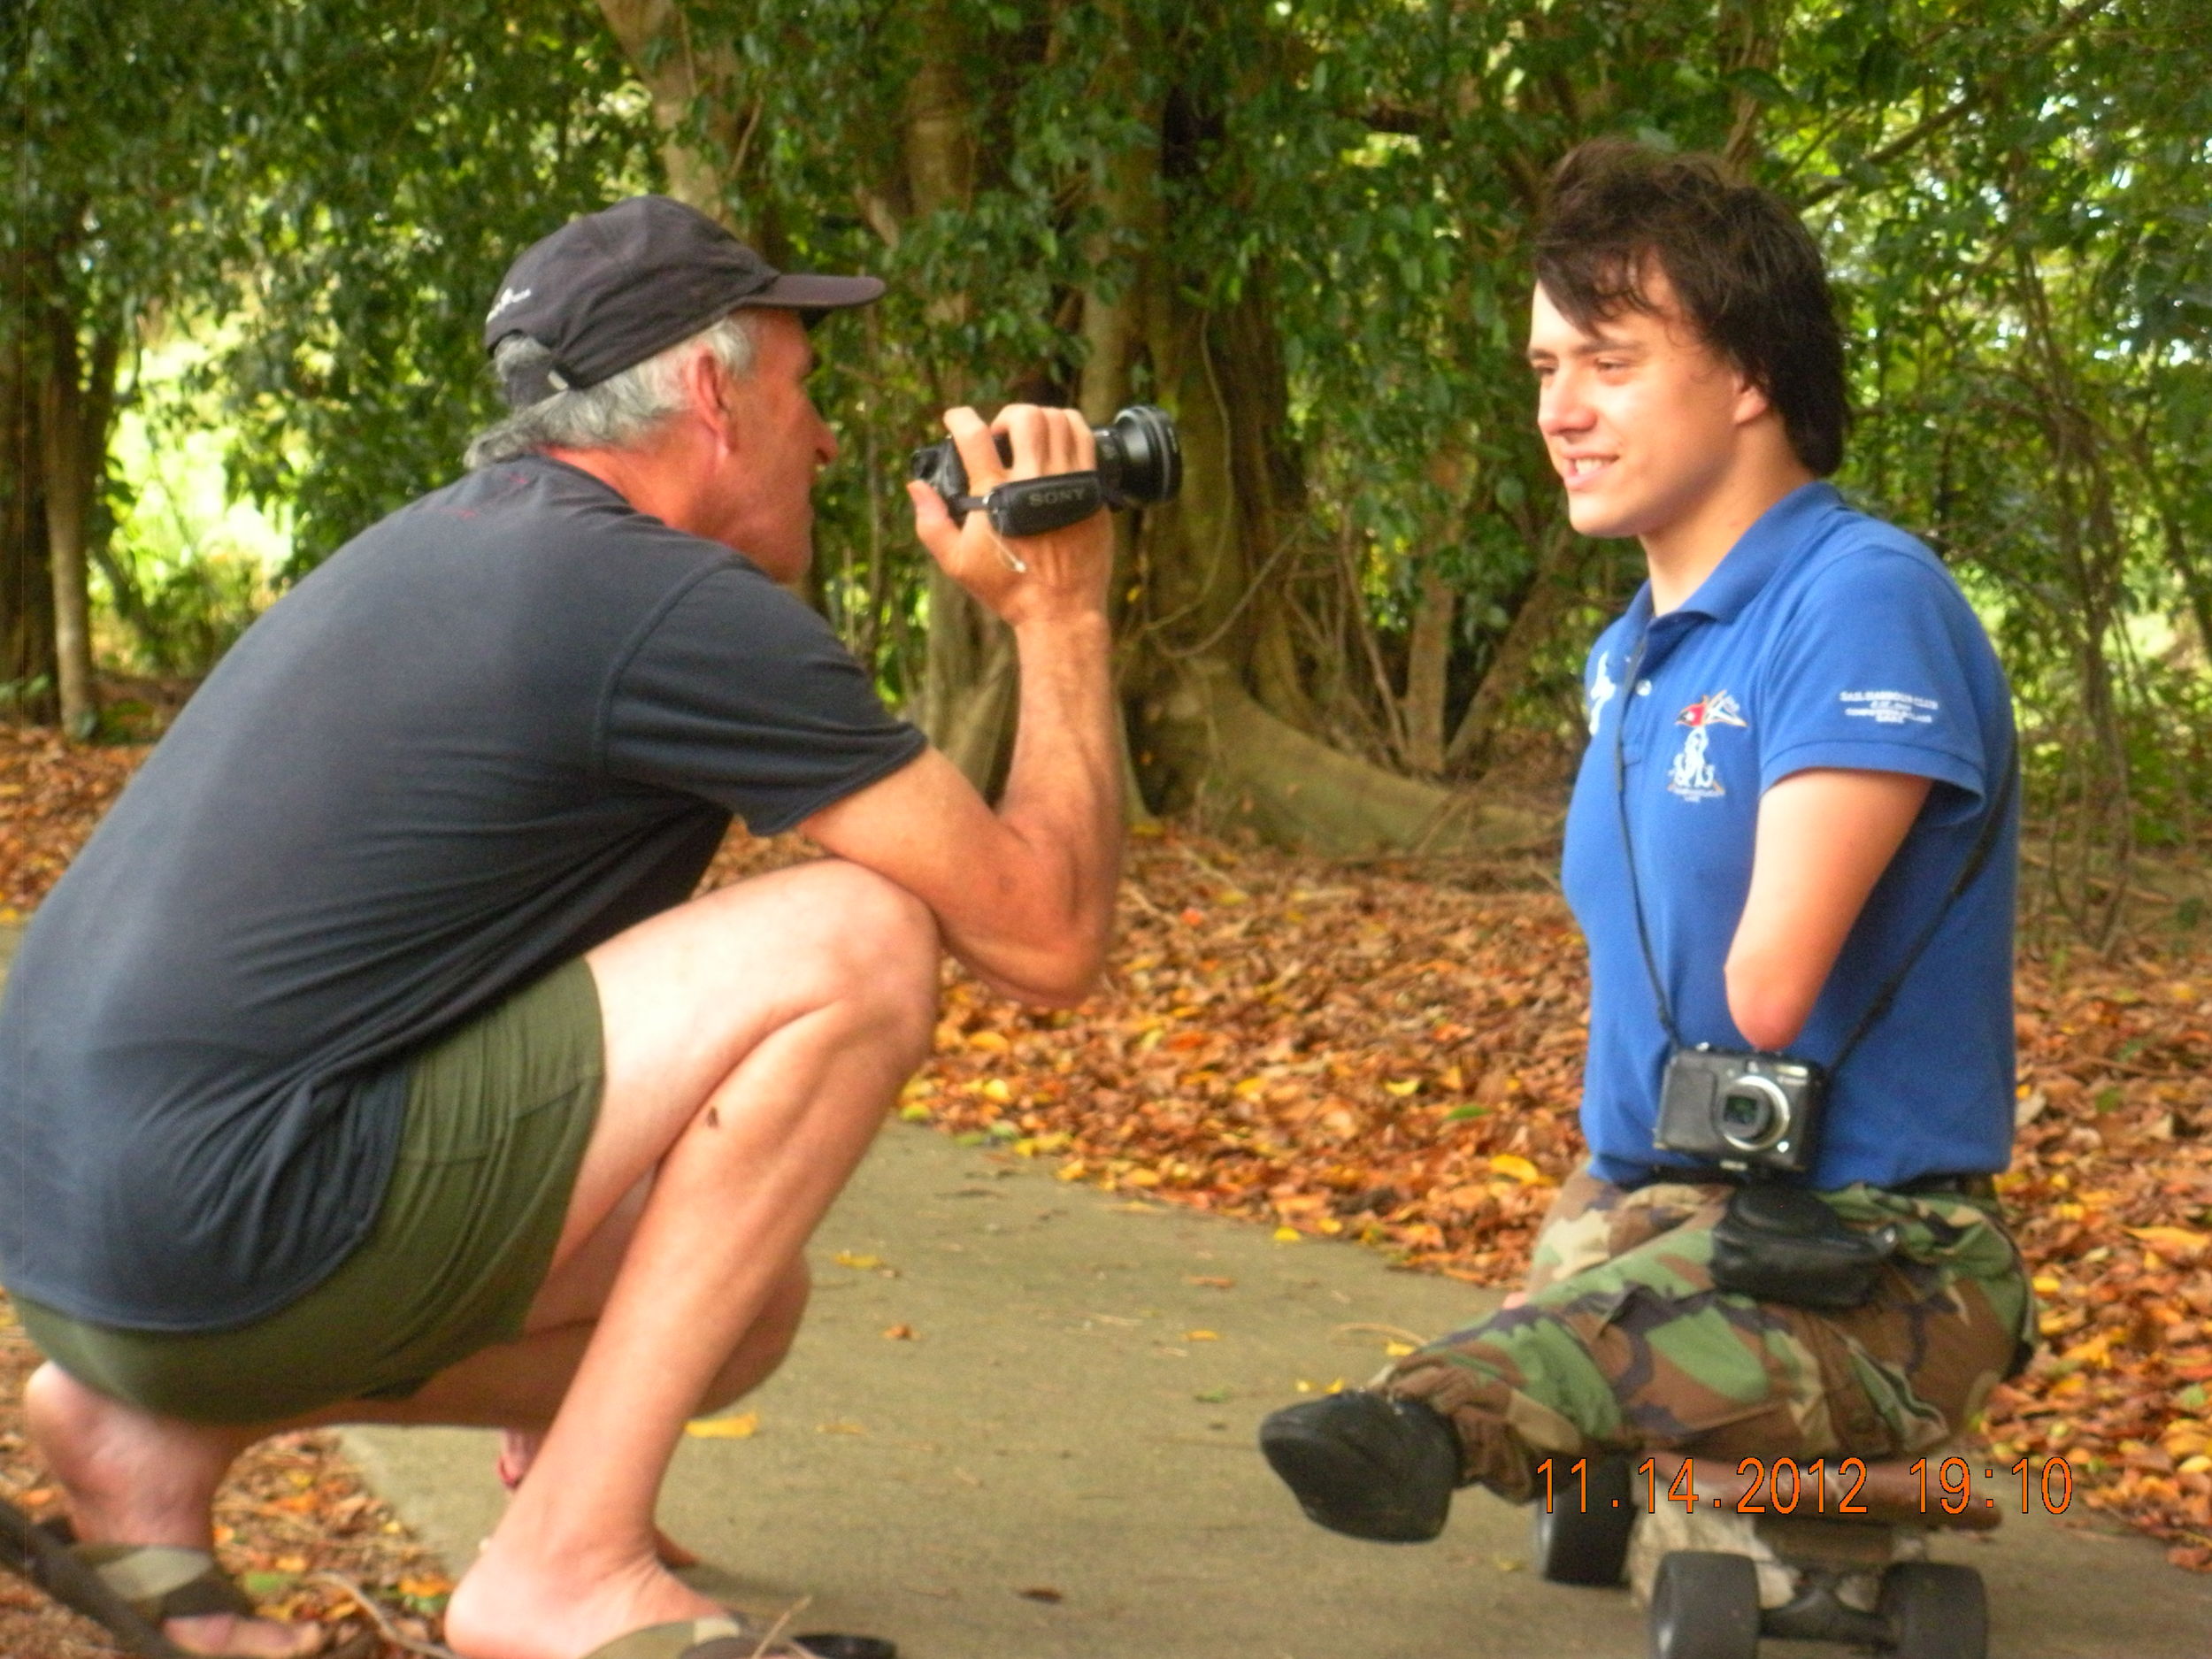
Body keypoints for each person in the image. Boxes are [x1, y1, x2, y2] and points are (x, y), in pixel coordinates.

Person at [0, 195, 1123, 1659]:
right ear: (714, 395)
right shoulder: (663, 604)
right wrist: (1066, 617)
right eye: (805, 390)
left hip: (85, 1248)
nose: (831, 439)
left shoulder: (447, 548)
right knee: (856, 939)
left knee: (742, 1311)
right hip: (229, 1219)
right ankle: (563, 1570)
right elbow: (1048, 939)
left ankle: (149, 1440)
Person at [1259, 142, 2034, 1544]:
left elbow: (1768, 998)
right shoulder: (1634, 655)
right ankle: (1595, 1435)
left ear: (1747, 377)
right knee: (1594, 1359)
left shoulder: (1858, 601)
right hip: (1667, 1208)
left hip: (1879, 1252)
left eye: (1607, 364)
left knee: (1586, 1427)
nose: (1561, 409)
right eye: (1545, 369)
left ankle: (1486, 1423)